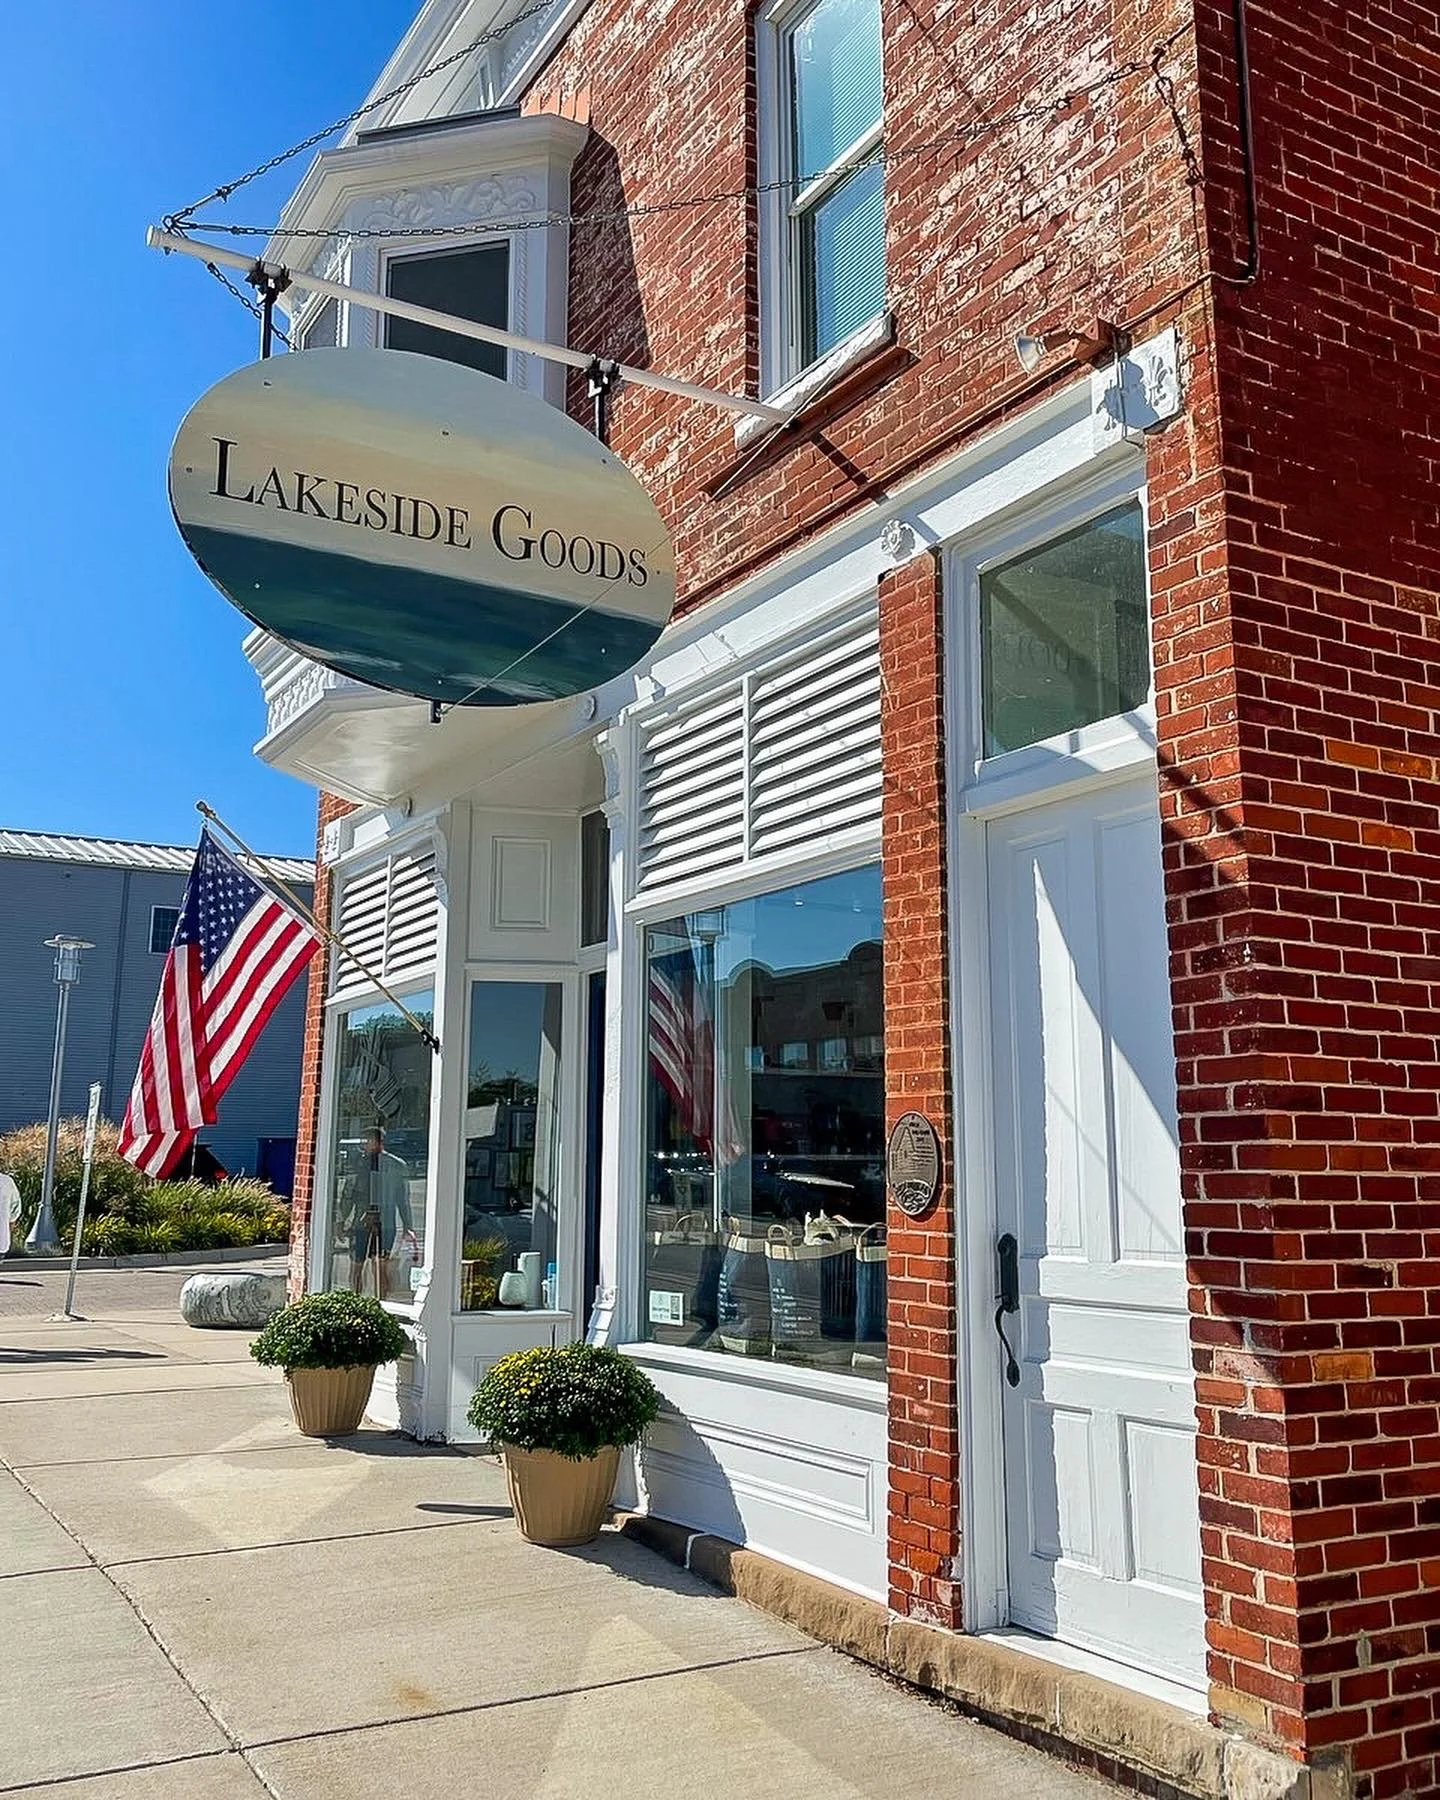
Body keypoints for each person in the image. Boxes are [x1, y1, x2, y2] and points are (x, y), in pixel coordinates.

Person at [341, 1127, 417, 1300]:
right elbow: (349, 1193)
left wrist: (408, 1226)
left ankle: (379, 1303)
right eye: (364, 1141)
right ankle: (356, 1301)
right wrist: (341, 1220)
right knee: (360, 1265)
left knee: (378, 1266)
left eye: (368, 1141)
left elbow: (402, 1199)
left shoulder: (394, 1165)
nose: (365, 1145)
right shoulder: (361, 1163)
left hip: (383, 1224)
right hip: (367, 1222)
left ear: (379, 1142)